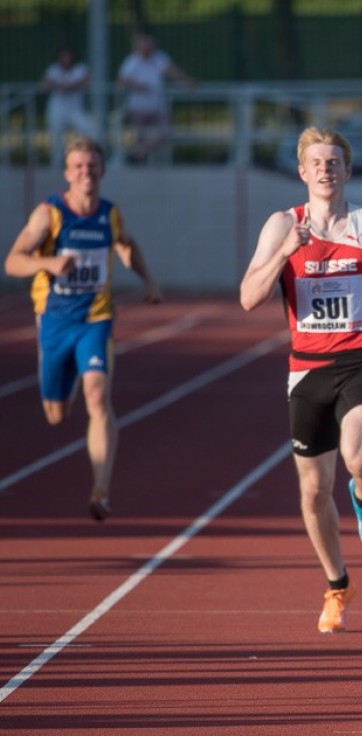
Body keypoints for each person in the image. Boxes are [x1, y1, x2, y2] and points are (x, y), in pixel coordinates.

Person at [239, 126, 362, 634]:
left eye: (334, 162)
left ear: (347, 171)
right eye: (316, 162)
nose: (326, 169)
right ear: (302, 172)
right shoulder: (282, 224)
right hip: (306, 371)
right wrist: (284, 251)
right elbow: (248, 296)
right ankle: (337, 584)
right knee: (312, 491)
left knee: (360, 457)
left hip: (361, 361)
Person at [4, 136, 163, 521]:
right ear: (66, 173)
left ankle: (101, 490)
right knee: (56, 414)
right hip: (55, 321)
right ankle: (69, 375)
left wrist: (148, 280)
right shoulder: (50, 214)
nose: (85, 173)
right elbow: (12, 261)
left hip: (96, 318)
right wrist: (49, 264)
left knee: (97, 395)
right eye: (78, 167)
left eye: (91, 166)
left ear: (102, 170)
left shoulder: (109, 214)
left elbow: (126, 245)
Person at [116, 32, 196, 164]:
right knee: (139, 137)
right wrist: (138, 86)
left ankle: (137, 154)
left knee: (165, 134)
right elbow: (122, 80)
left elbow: (172, 71)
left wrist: (187, 82)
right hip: (138, 106)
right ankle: (139, 162)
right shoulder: (132, 61)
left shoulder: (159, 58)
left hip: (157, 105)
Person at [41, 46, 92, 167]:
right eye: (63, 56)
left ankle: (85, 159)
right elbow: (45, 83)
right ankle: (56, 163)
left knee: (88, 129)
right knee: (56, 135)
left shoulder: (80, 69)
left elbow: (86, 80)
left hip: (75, 109)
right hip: (57, 108)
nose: (66, 59)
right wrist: (59, 86)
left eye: (68, 56)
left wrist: (71, 86)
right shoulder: (54, 69)